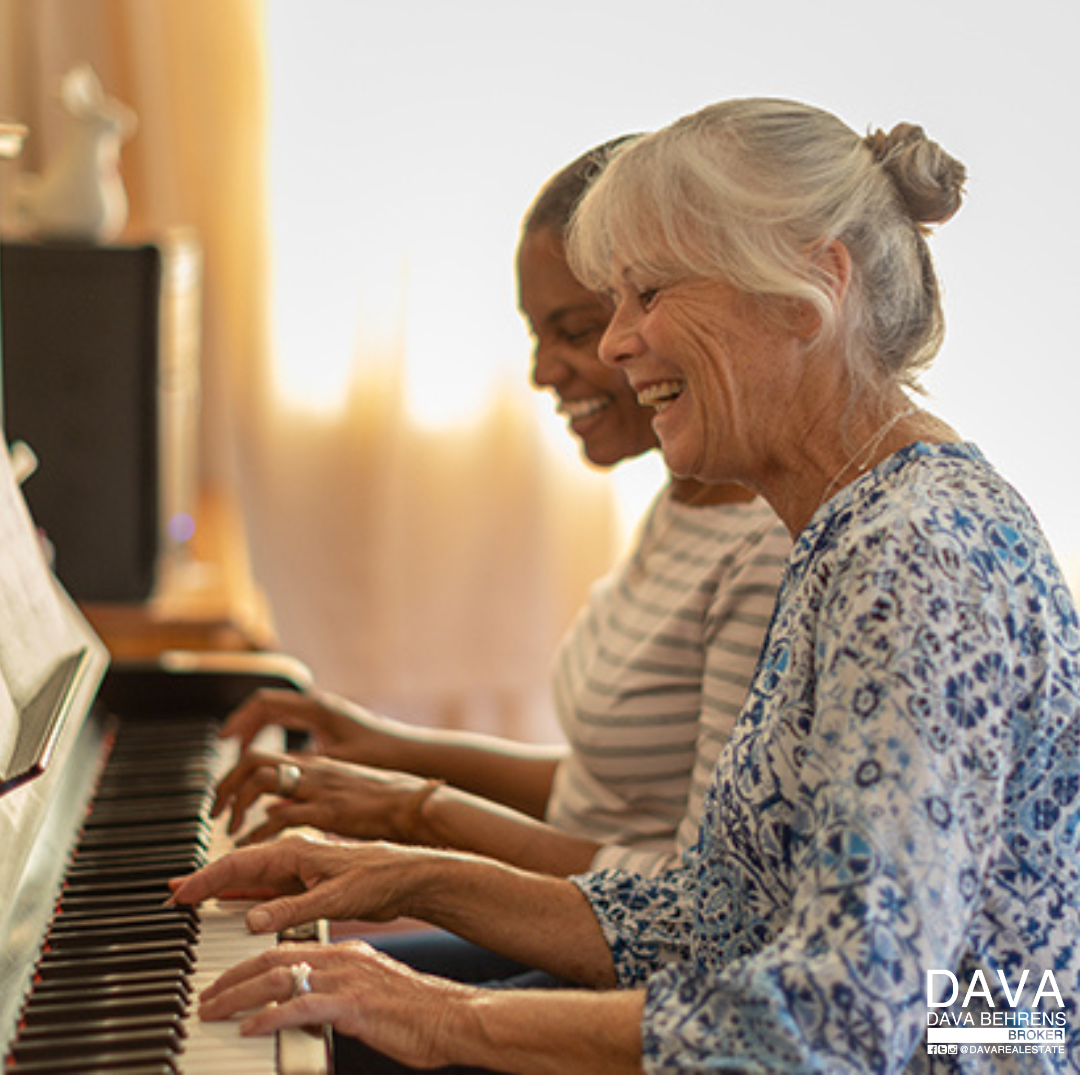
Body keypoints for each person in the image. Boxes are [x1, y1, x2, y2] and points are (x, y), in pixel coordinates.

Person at [171, 98, 1080, 1072]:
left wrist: (447, 1017)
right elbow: (720, 913)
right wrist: (407, 874)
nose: (612, 344)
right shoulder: (849, 527)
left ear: (813, 284)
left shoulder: (919, 553)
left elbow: (846, 1021)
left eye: (648, 294)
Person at [211, 139, 790, 884]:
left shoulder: (762, 554)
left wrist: (411, 811)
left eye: (574, 330)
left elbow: (696, 898)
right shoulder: (688, 496)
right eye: (535, 334)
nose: (542, 372)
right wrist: (387, 745)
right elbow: (599, 797)